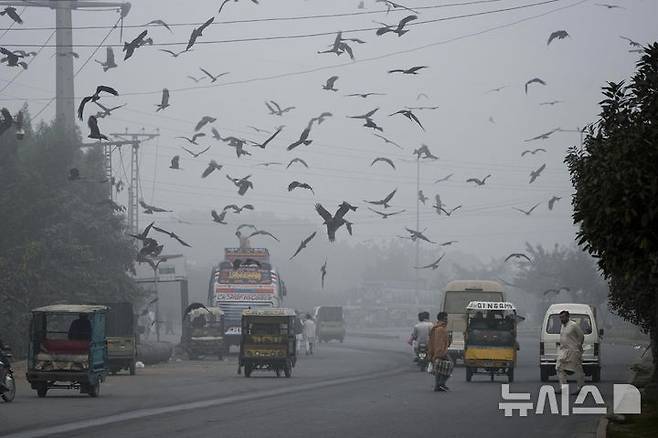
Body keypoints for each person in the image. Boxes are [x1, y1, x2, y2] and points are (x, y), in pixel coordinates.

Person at [556, 310, 585, 393]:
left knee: (578, 369)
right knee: (559, 368)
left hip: (573, 351)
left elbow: (581, 336)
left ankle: (580, 388)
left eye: (563, 317)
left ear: (568, 317)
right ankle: (563, 388)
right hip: (564, 351)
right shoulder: (562, 326)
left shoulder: (573, 325)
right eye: (560, 317)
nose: (561, 319)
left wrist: (578, 345)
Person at [428, 312, 452, 392]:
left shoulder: (438, 328)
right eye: (446, 318)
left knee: (440, 368)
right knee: (449, 366)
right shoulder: (440, 329)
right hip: (440, 352)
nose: (447, 320)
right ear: (443, 319)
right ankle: (440, 384)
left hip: (437, 351)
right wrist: (439, 354)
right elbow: (439, 343)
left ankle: (438, 385)